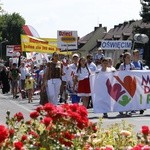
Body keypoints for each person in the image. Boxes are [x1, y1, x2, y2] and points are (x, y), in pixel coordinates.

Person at [132, 49, 145, 115]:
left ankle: (141, 107)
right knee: (134, 95)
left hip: (139, 82)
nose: (137, 56)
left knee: (140, 95)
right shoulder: (131, 63)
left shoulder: (140, 63)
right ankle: (133, 108)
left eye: (138, 55)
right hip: (133, 82)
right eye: (136, 55)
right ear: (133, 55)